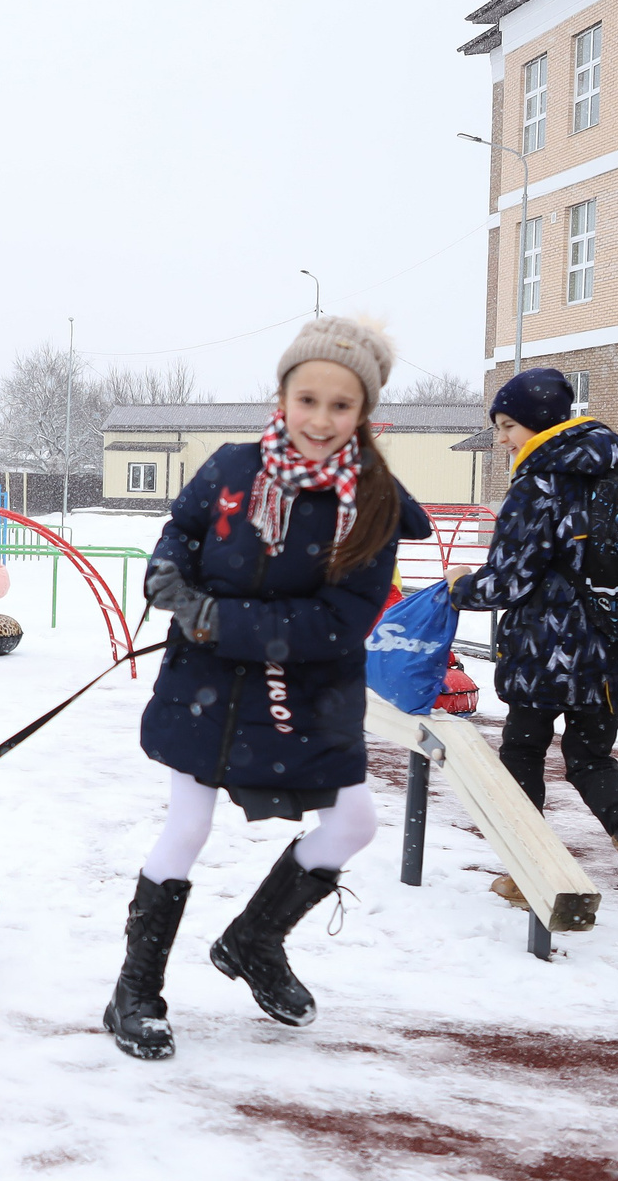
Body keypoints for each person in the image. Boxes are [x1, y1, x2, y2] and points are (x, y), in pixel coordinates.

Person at [104, 316, 429, 1058]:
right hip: (207, 689)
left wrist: (219, 618)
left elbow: (337, 622)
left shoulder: (372, 503)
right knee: (187, 826)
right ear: (281, 396)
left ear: (363, 413)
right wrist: (168, 573)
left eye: (340, 405)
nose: (320, 419)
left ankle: (254, 938)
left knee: (354, 824)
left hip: (305, 693)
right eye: (306, 398)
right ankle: (134, 991)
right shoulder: (229, 467)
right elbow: (181, 530)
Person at [449, 366, 618, 921]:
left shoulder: (538, 486)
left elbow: (508, 581)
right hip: (614, 647)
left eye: (507, 426)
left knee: (522, 751)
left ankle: (528, 866)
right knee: (589, 757)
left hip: (544, 654)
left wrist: (460, 586)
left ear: (537, 423)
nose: (502, 438)